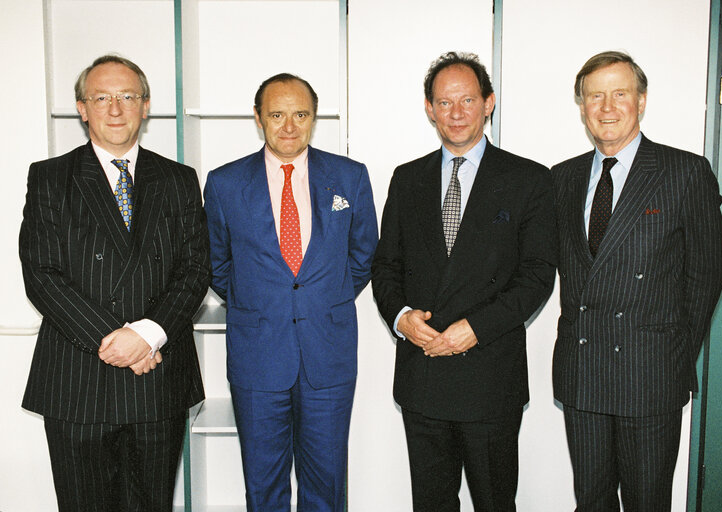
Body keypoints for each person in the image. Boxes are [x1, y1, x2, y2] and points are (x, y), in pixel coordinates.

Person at [19, 54, 210, 511]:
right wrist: (115, 341)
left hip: (158, 375)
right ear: (82, 108)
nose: (116, 108)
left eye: (128, 96)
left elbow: (196, 269)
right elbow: (42, 275)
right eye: (101, 97)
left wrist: (145, 334)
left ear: (146, 106)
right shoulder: (50, 178)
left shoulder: (179, 179)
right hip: (78, 380)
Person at [371, 51, 557, 512]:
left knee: (495, 503)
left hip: (490, 379)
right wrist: (400, 318)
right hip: (423, 376)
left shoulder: (528, 179)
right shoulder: (407, 178)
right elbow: (385, 267)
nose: (456, 113)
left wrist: (475, 328)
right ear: (430, 109)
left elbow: (537, 276)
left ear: (488, 103)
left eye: (467, 100)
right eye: (444, 102)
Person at [551, 51, 722, 511]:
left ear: (642, 101)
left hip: (650, 376)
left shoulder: (684, 172)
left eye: (620, 94)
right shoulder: (562, 178)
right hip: (583, 371)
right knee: (591, 501)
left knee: (647, 502)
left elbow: (708, 273)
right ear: (582, 106)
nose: (607, 107)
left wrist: (671, 352)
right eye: (595, 96)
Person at [204, 73, 377, 512]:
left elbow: (362, 258)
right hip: (257, 354)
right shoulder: (224, 184)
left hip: (329, 354)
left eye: (300, 115)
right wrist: (261, 302)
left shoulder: (350, 177)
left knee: (327, 484)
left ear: (314, 118)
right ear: (258, 118)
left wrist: (322, 299)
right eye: (277, 114)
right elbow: (217, 265)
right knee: (264, 486)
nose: (289, 126)